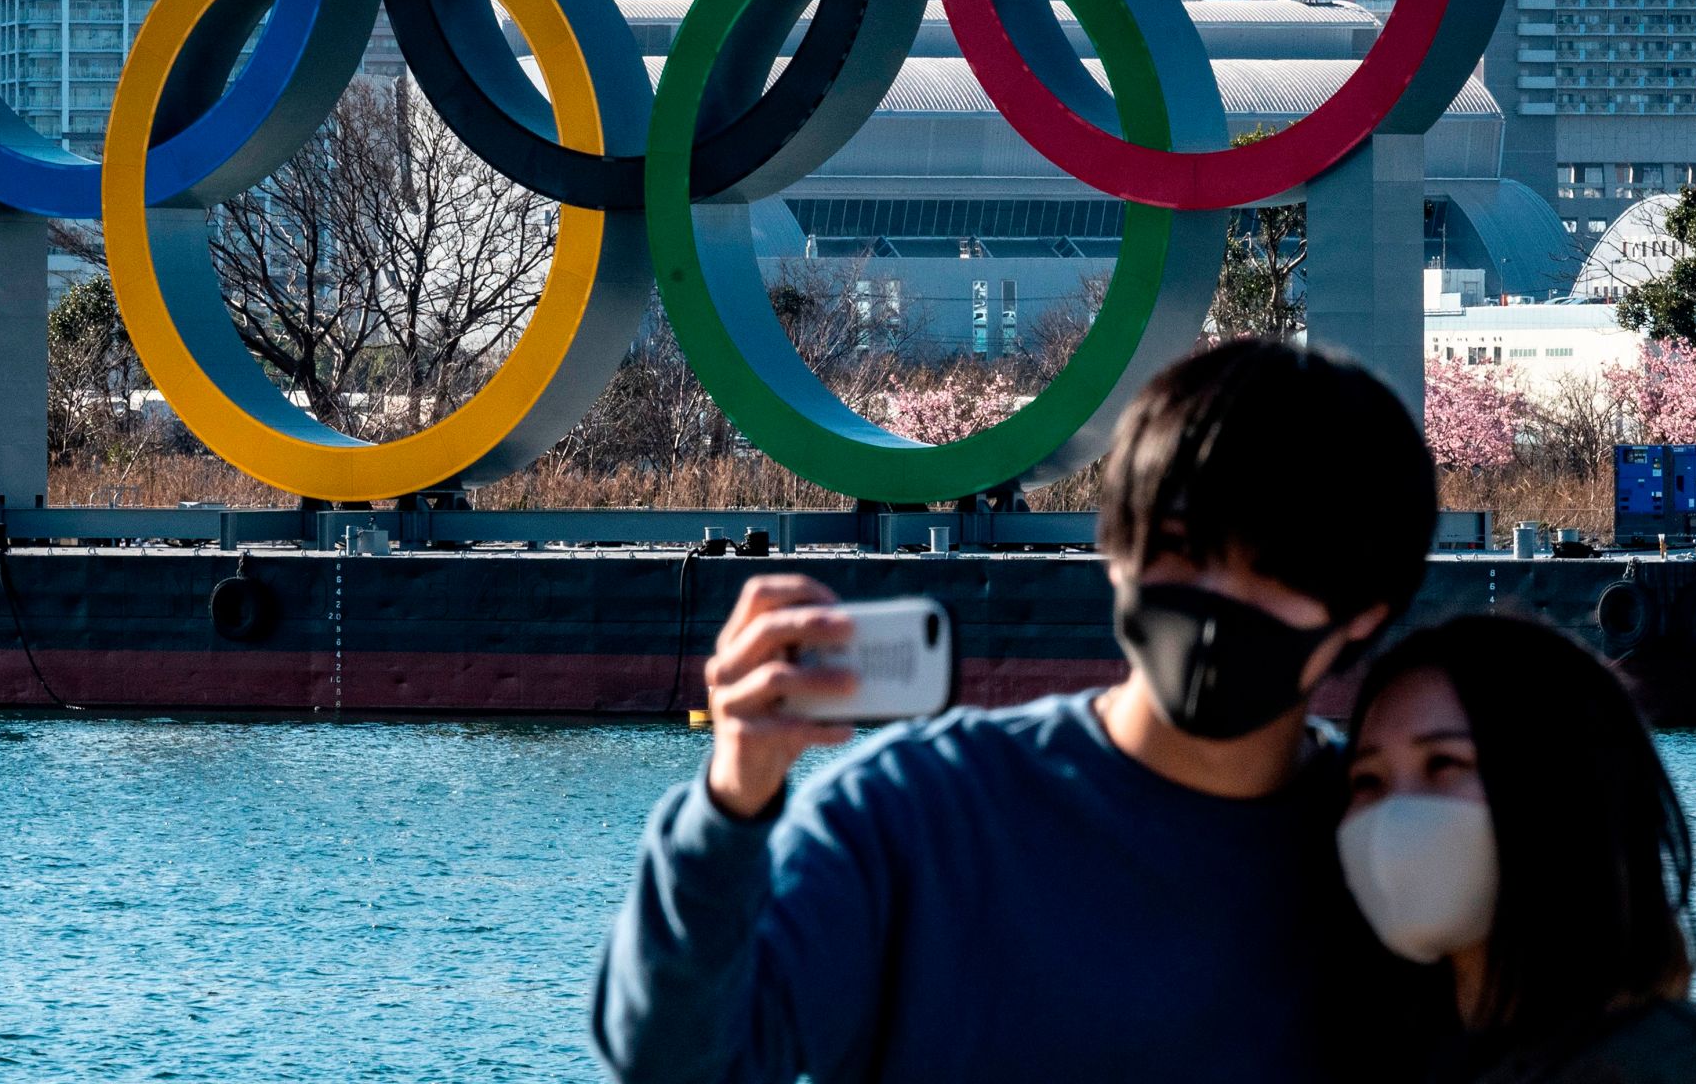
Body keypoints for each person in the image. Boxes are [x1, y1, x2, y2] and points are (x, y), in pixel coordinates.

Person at [592, 339, 1451, 1082]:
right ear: (1115, 554)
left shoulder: (1404, 849)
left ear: (1368, 608)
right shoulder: (913, 817)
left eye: (1278, 565)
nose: (1219, 598)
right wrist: (730, 804)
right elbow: (676, 1065)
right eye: (1184, 551)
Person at [1339, 616, 1696, 1084]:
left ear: (1566, 787)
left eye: (1444, 763)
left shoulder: (1687, 1072)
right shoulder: (1392, 1055)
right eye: (1368, 781)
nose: (1395, 812)